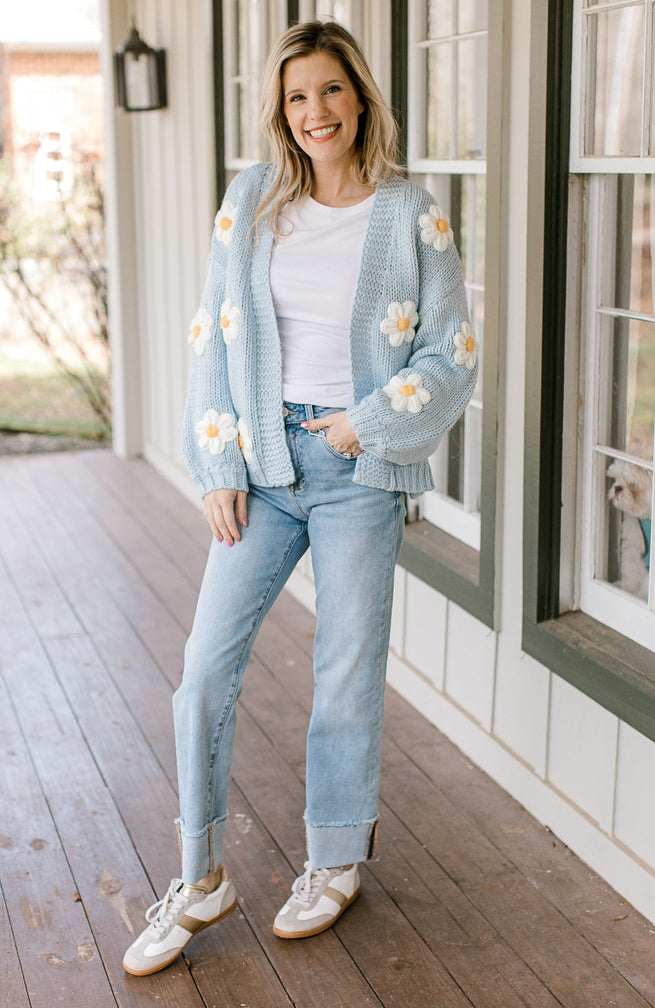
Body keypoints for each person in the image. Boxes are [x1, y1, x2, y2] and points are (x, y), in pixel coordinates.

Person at [123, 18, 477, 977]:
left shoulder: (411, 213)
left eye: (329, 90)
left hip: (359, 467)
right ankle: (200, 877)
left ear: (359, 97)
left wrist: (372, 418)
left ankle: (333, 860)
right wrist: (220, 465)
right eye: (295, 97)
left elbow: (453, 353)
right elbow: (214, 339)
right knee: (203, 672)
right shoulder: (251, 200)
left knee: (345, 670)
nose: (313, 111)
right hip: (266, 465)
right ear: (279, 112)